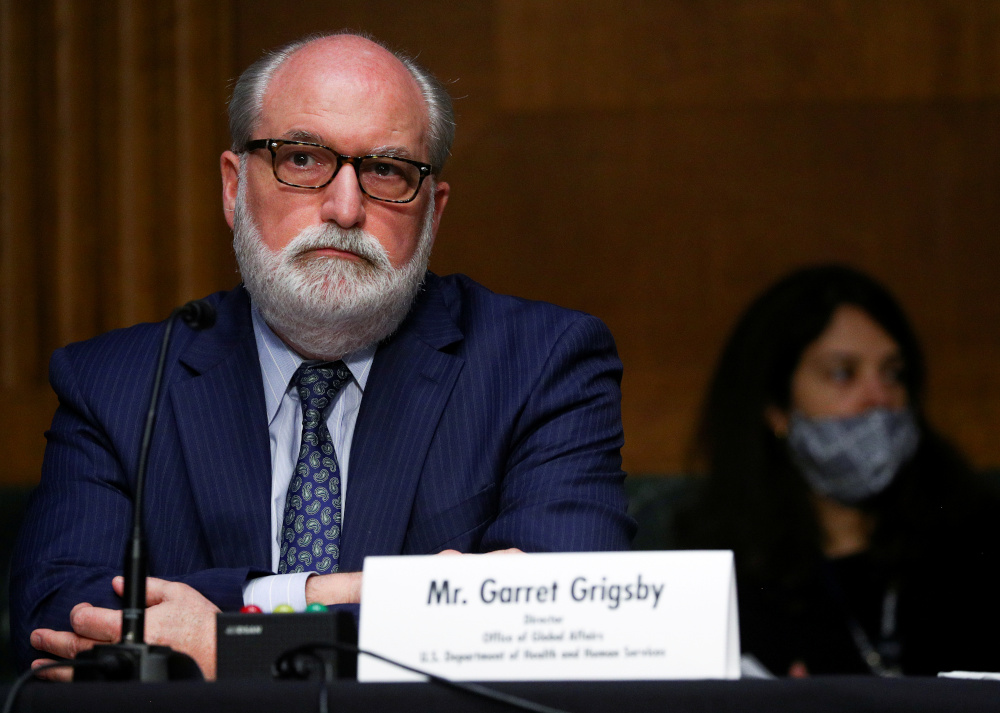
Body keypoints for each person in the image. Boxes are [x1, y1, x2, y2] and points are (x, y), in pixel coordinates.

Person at [10, 31, 635, 679]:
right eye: (303, 159)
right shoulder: (116, 384)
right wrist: (330, 594)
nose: (344, 208)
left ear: (432, 212)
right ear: (233, 187)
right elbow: (52, 614)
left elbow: (569, 616)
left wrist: (232, 641)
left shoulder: (541, 365)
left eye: (386, 171)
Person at [667, 265, 1000, 676]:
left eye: (893, 373)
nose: (879, 398)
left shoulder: (980, 542)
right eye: (843, 373)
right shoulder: (719, 579)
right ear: (776, 408)